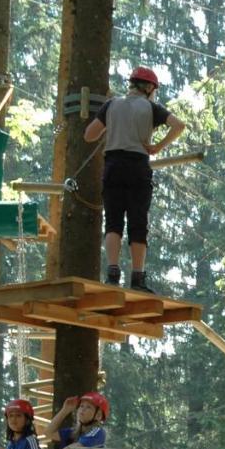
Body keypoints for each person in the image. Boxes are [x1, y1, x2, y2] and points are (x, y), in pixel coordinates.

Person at [84, 66, 187, 294]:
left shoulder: (111, 104)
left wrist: (111, 129)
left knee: (113, 221)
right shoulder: (151, 107)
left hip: (113, 166)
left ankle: (112, 274)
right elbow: (179, 126)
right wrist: (158, 147)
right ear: (149, 87)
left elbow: (89, 135)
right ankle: (138, 278)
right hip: (138, 167)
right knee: (138, 223)